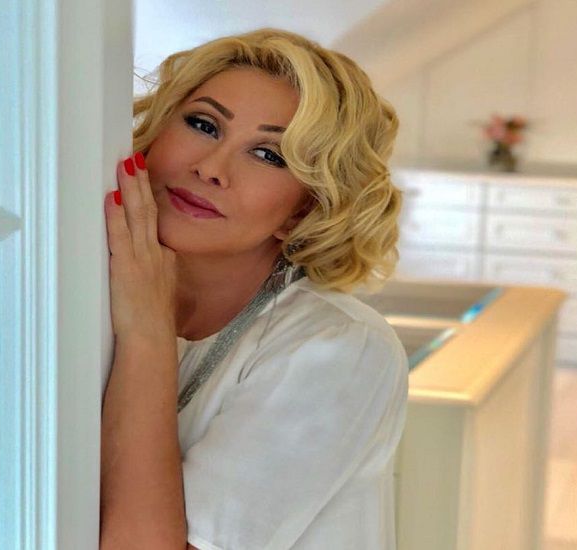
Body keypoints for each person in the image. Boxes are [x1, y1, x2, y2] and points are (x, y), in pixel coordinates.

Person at [100, 28, 408, 550]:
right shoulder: (87, 286)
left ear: (307, 208)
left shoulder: (340, 349)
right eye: (203, 124)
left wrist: (147, 335)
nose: (210, 169)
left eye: (268, 155)